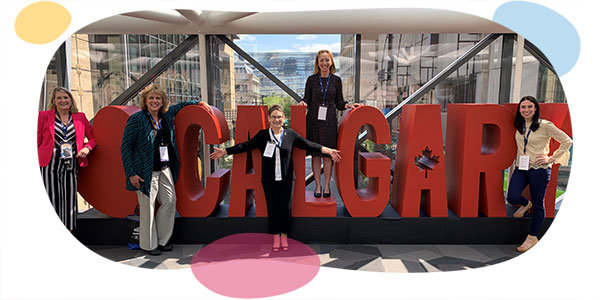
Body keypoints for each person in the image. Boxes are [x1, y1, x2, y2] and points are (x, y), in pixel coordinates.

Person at [210, 105, 342, 252]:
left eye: (279, 117)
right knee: (272, 210)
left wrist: (328, 150)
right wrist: (225, 151)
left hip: (287, 180)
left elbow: (308, 144)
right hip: (268, 181)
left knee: (285, 209)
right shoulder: (262, 136)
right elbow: (245, 146)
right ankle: (275, 238)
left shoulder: (290, 135)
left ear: (283, 119)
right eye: (273, 117)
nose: (276, 120)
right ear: (268, 119)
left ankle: (284, 237)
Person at [121, 84, 210, 256]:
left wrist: (200, 103)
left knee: (169, 201)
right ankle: (148, 244)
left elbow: (183, 105)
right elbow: (125, 148)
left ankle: (162, 240)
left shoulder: (166, 116)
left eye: (158, 98)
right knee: (147, 207)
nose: (155, 101)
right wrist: (131, 173)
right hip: (145, 171)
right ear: (145, 101)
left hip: (164, 168)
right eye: (151, 98)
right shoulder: (137, 119)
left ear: (163, 102)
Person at [507, 96, 572, 252]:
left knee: (538, 203)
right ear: (519, 110)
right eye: (523, 107)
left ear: (535, 109)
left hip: (539, 169)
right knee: (512, 196)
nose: (526, 110)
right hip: (522, 167)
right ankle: (525, 204)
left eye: (530, 107)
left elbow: (567, 141)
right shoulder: (519, 124)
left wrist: (551, 158)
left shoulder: (545, 125)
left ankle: (532, 237)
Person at [299, 49, 360, 198]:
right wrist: (302, 103)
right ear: (318, 63)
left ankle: (326, 186)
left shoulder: (336, 80)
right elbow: (307, 98)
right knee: (315, 155)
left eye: (327, 60)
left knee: (328, 155)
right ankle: (318, 186)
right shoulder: (311, 79)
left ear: (331, 62)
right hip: (313, 120)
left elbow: (339, 102)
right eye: (322, 60)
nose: (324, 63)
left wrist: (348, 105)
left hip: (330, 121)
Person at [38, 87, 96, 231]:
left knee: (69, 199)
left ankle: (68, 231)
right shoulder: (44, 116)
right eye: (59, 98)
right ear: (54, 101)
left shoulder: (80, 117)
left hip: (70, 163)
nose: (63, 100)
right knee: (51, 198)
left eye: (66, 97)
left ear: (71, 100)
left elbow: (93, 138)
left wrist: (87, 148)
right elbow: (37, 141)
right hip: (49, 163)